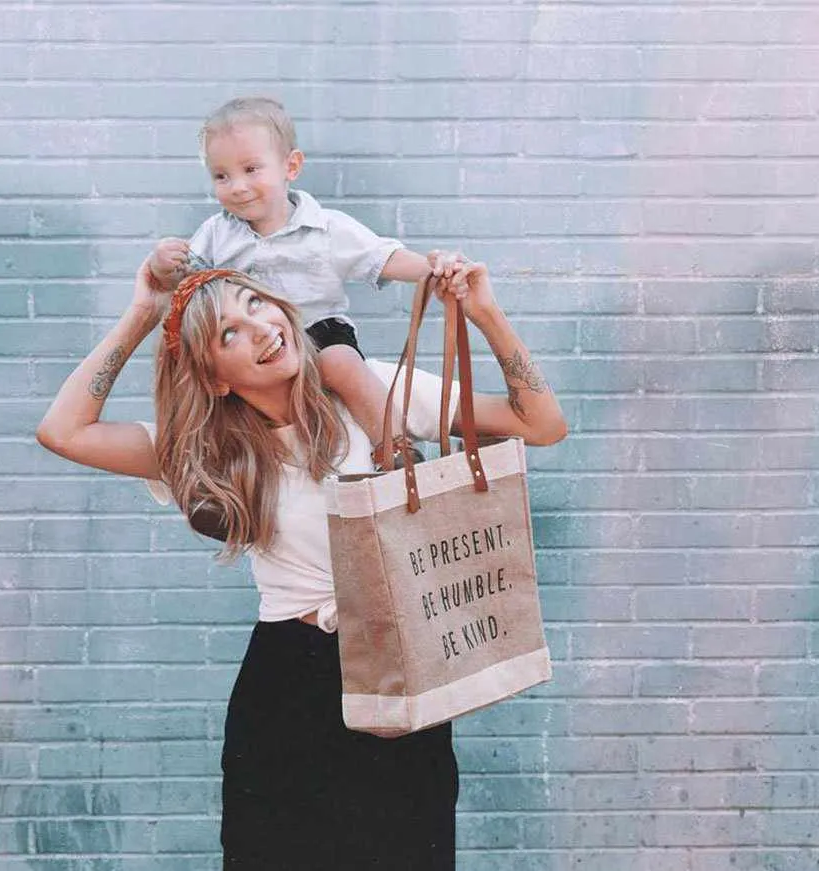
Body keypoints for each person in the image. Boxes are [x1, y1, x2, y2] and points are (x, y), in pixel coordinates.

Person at [36, 257, 567, 869]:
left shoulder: (375, 392)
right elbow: (63, 431)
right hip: (287, 685)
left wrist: (484, 313)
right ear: (213, 378)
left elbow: (542, 423)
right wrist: (144, 312)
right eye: (228, 332)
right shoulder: (208, 450)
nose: (259, 328)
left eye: (256, 304)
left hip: (400, 676)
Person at [147, 95, 463, 468]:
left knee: (340, 363)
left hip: (320, 333)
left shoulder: (327, 228)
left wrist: (432, 269)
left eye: (251, 169)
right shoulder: (216, 234)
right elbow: (188, 285)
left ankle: (393, 446)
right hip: (257, 344)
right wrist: (162, 264)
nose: (237, 186)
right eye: (222, 176)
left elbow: (381, 257)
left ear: (291, 166)